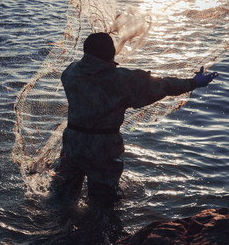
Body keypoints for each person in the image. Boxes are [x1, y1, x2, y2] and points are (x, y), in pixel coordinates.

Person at [54, 32, 218, 202]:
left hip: (73, 142)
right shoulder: (121, 79)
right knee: (103, 201)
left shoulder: (70, 72)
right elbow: (162, 85)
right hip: (103, 147)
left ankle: (58, 225)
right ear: (111, 53)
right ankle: (98, 227)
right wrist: (193, 83)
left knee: (63, 195)